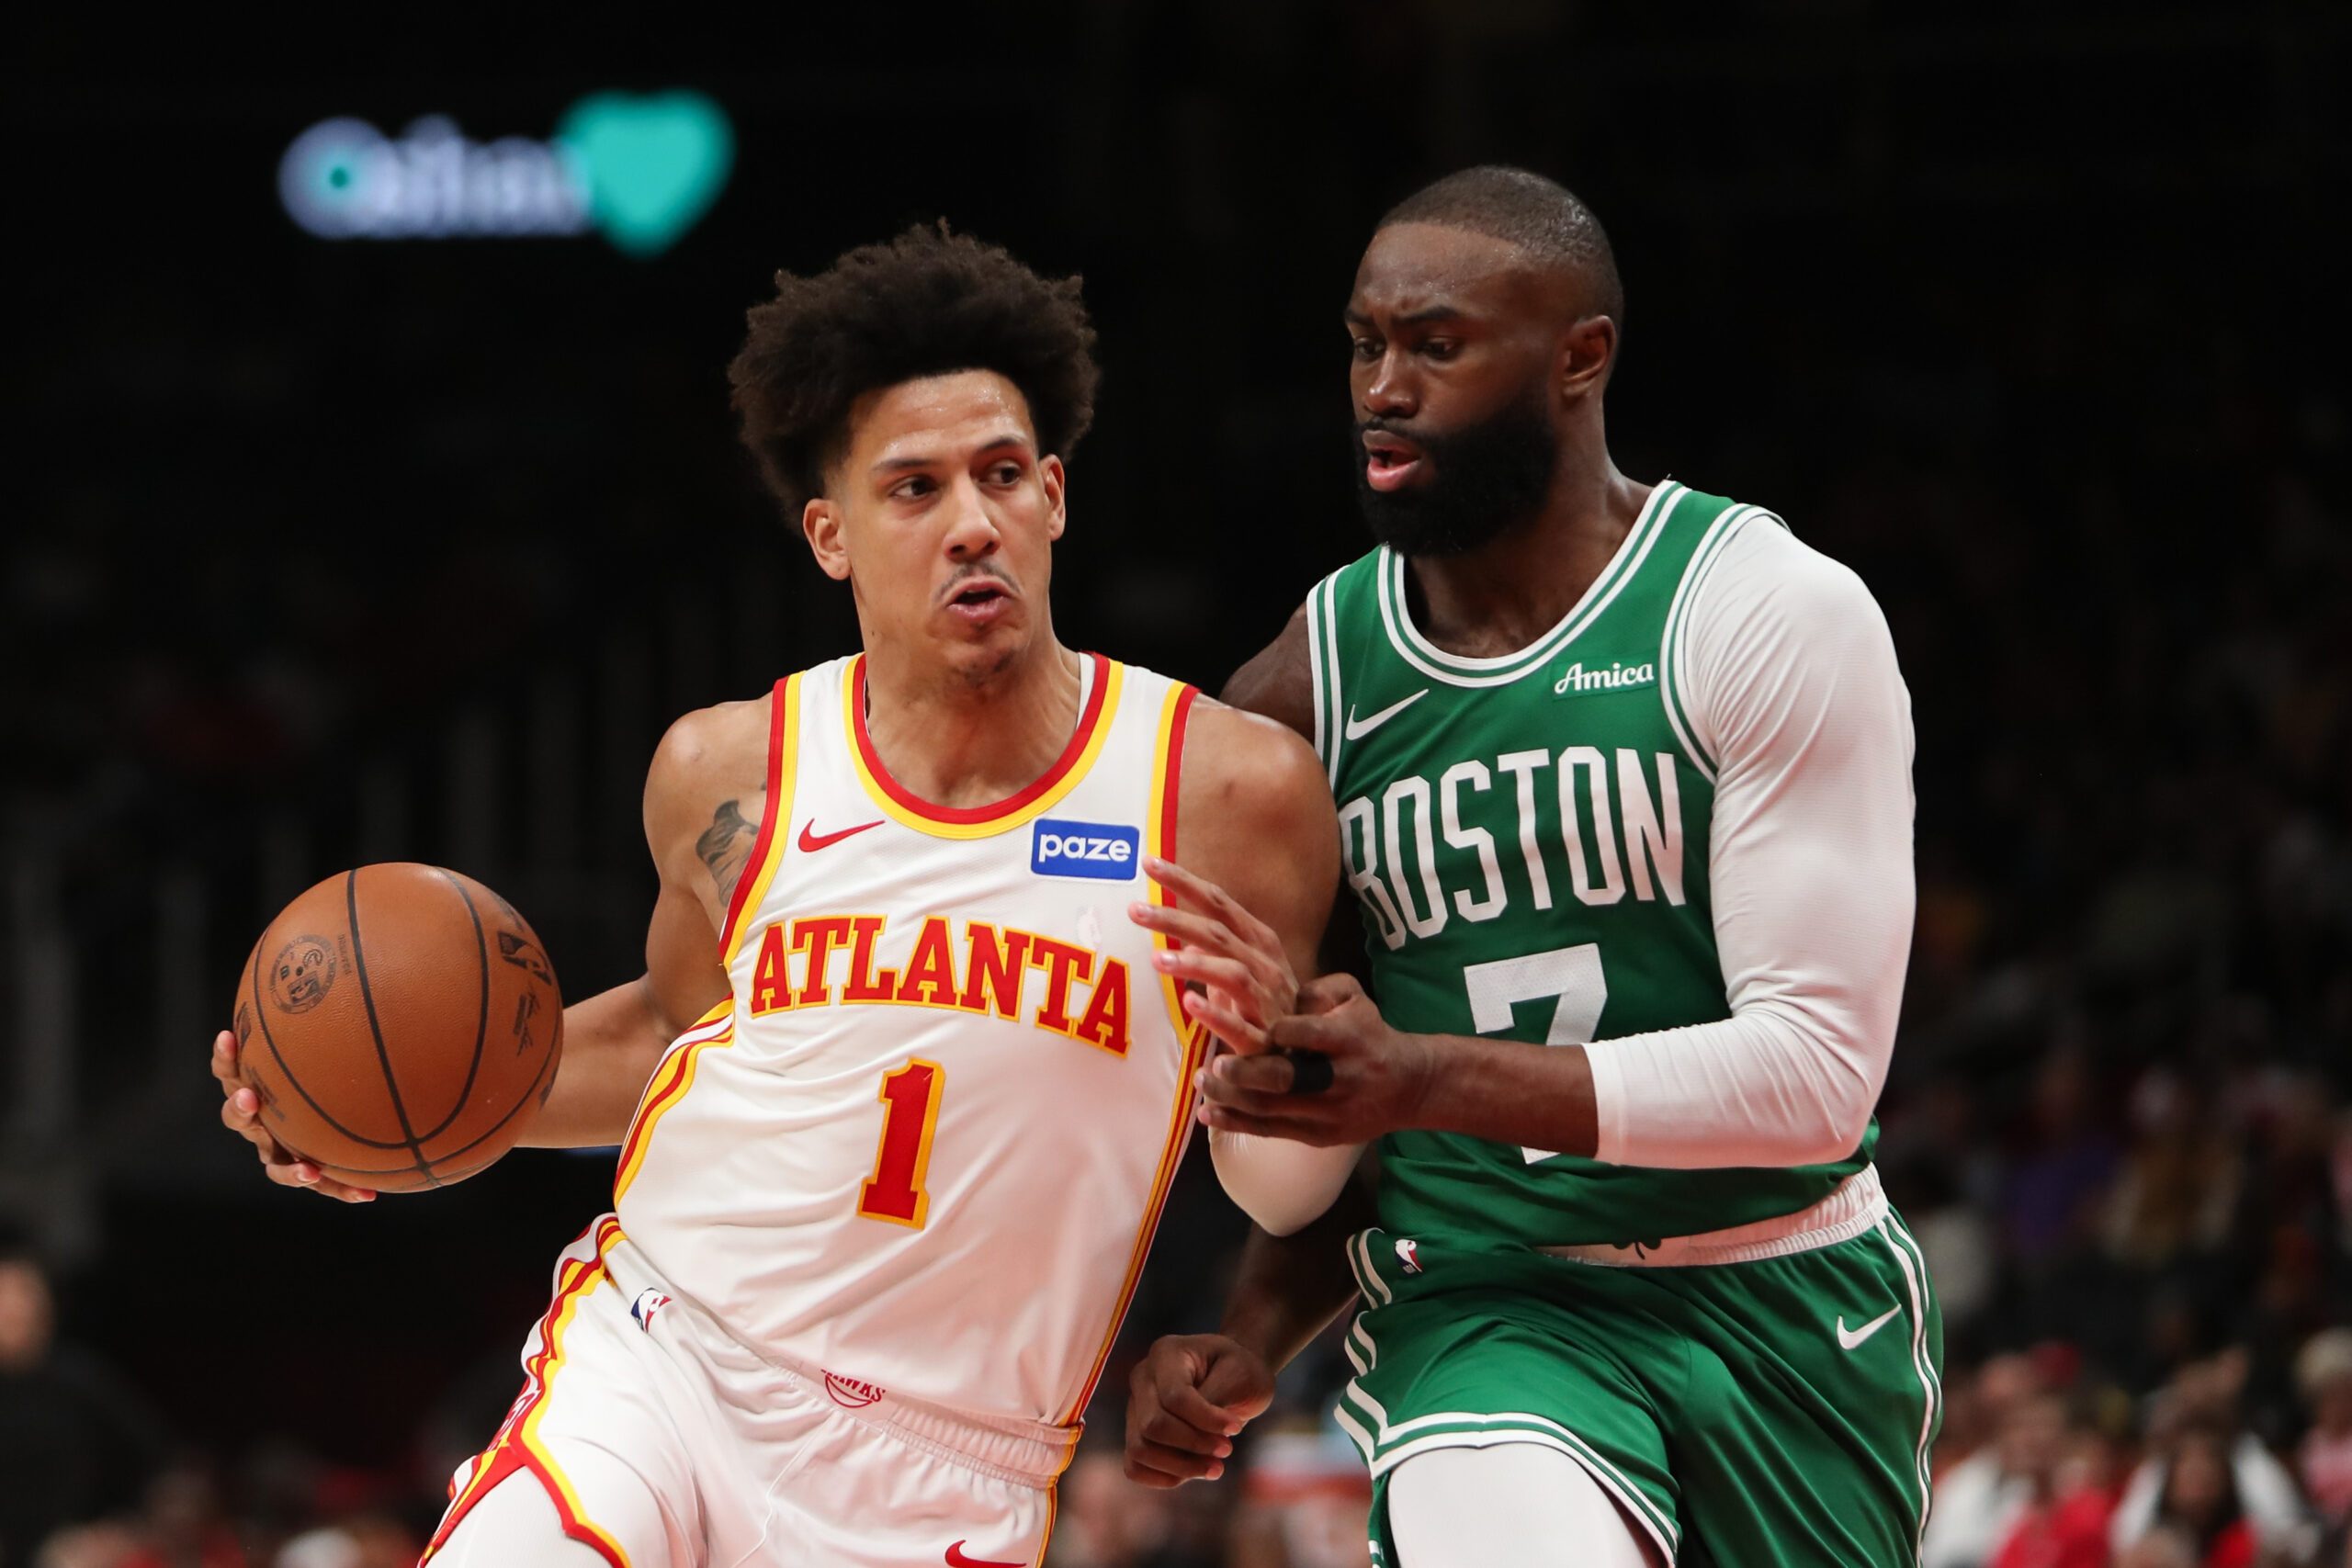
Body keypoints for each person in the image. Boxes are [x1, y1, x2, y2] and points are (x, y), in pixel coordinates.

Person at [211, 223, 1338, 1567]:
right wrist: (382, 1125)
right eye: (913, 489)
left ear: (1053, 498)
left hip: (949, 1464)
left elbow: (1282, 1193)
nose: (969, 521)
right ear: (832, 535)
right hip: (668, 1360)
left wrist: (1282, 1058)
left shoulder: (1227, 791)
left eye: (998, 477)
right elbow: (663, 1038)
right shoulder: (727, 769)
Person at [1122, 166, 1936, 1567]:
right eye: (1366, 345)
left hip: (1788, 1292)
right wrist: (1256, 1308)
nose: (1384, 387)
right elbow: (1331, 1136)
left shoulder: (1761, 610)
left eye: (1436, 346)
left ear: (1580, 358)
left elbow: (1814, 1079)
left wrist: (1417, 1076)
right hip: (1484, 1309)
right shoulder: (1297, 702)